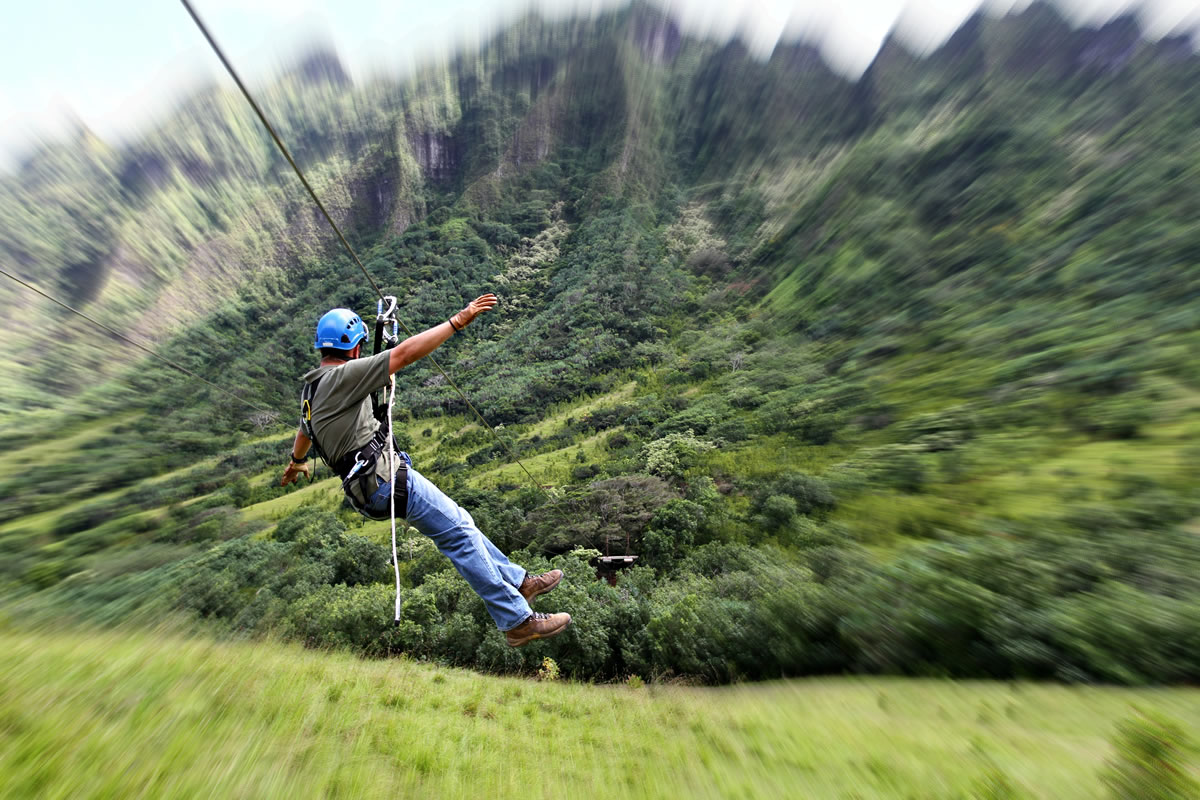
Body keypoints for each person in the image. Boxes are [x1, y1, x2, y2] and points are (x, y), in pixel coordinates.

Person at [280, 294, 571, 647]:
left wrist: (296, 462)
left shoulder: (311, 388)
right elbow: (403, 355)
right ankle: (516, 620)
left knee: (462, 523)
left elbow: (303, 431)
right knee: (460, 537)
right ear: (354, 348)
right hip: (385, 480)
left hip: (369, 488)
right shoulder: (344, 376)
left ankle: (520, 581)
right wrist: (458, 320)